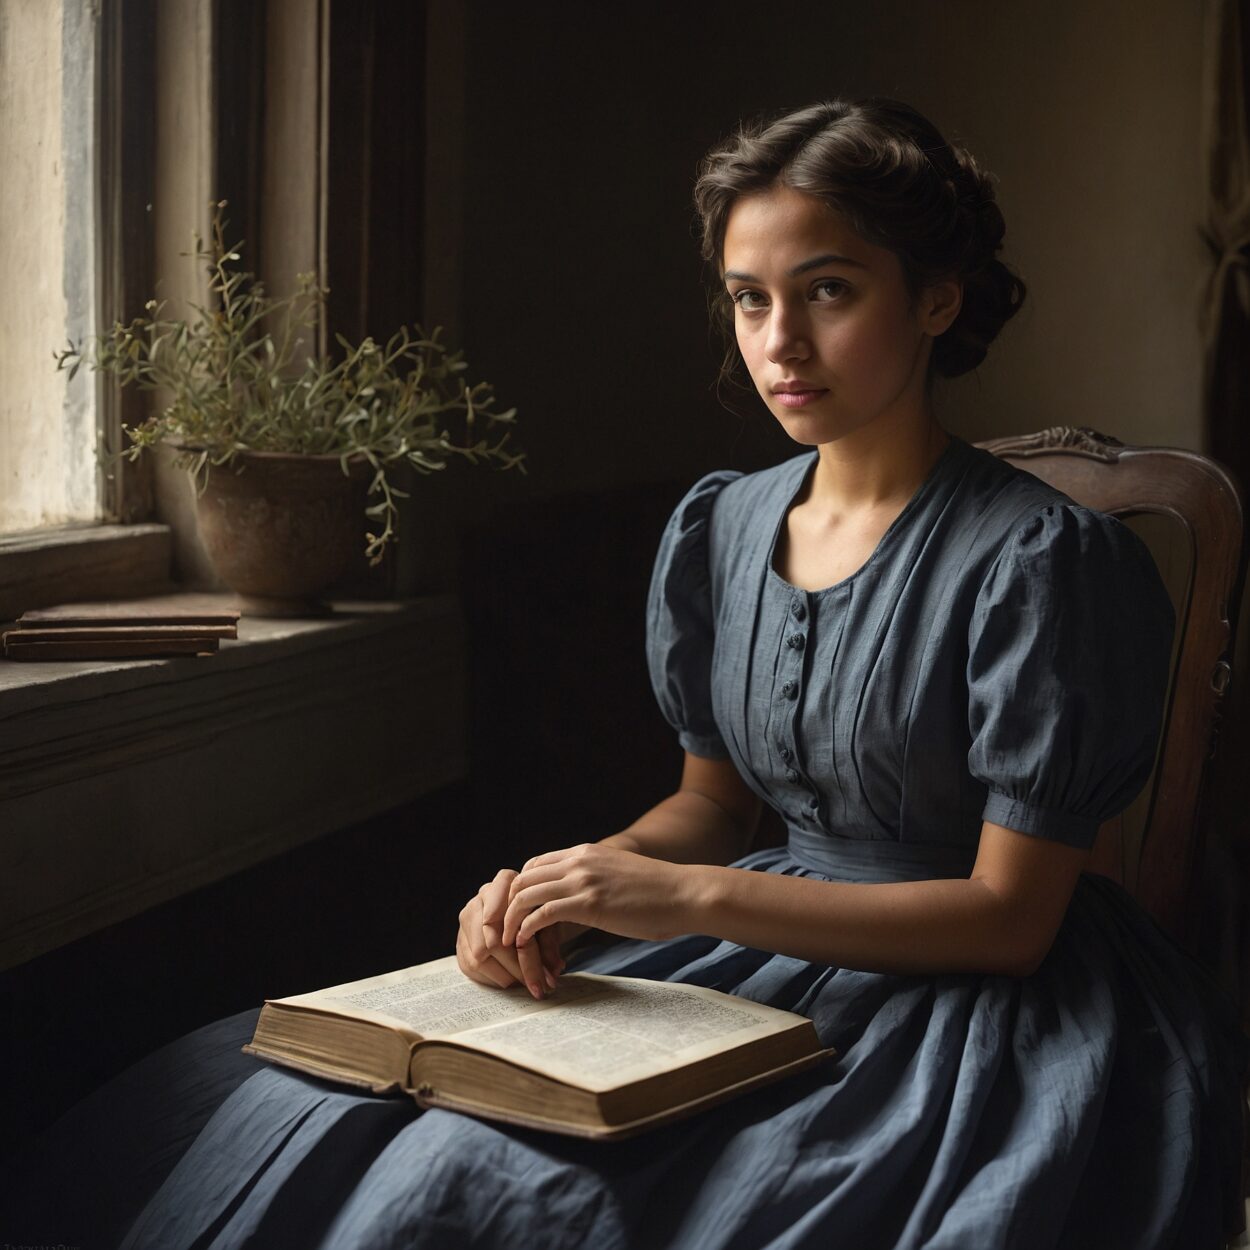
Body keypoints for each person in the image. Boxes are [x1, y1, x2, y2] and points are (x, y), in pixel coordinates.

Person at [9, 98, 1246, 1250]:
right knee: (244, 1093)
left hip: (972, 1002)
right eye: (748, 298)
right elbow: (708, 807)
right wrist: (567, 885)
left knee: (493, 1185)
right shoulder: (724, 526)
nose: (779, 342)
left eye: (827, 290)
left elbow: (1009, 919)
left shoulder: (1040, 560)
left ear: (935, 297)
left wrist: (687, 897)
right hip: (753, 939)